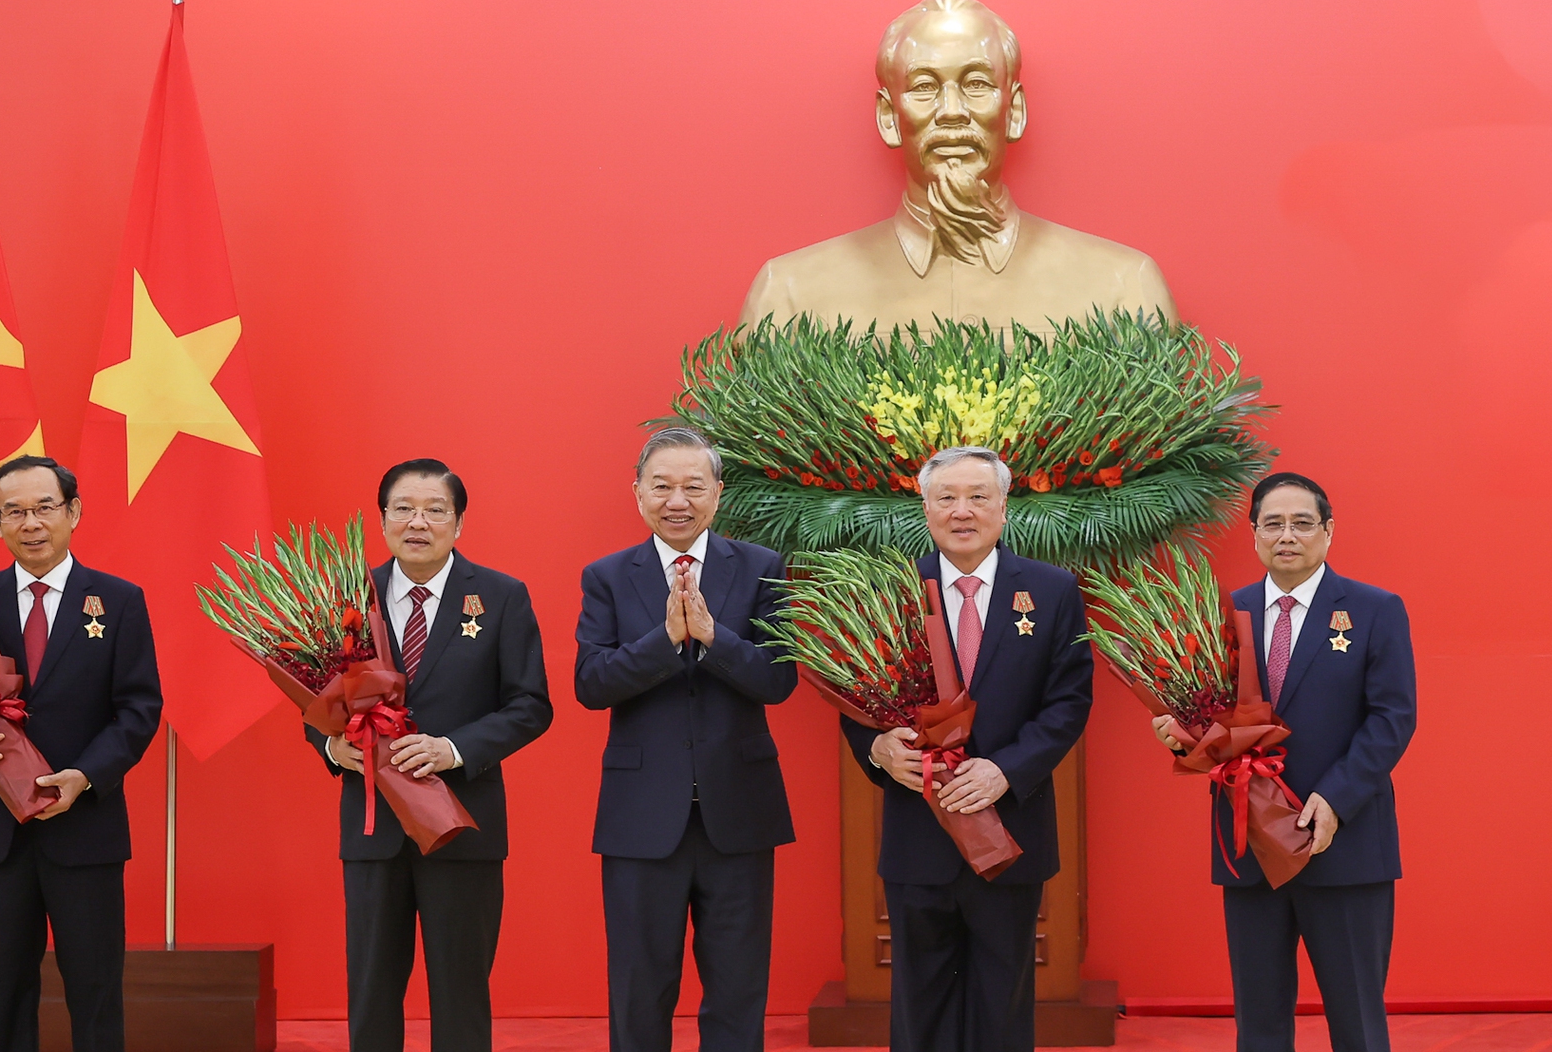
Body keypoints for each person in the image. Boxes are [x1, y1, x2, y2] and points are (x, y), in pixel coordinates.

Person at [1149, 472, 1415, 1052]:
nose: (1287, 535)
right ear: (1254, 535)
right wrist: (1182, 738)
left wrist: (1336, 799)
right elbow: (1206, 713)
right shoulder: (1225, 613)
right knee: (1260, 1021)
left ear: (1328, 531)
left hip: (1343, 843)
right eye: (1273, 523)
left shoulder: (1374, 610)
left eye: (1302, 523)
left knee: (1358, 1020)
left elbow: (1392, 718)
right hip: (1250, 842)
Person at [840, 445, 1092, 1052]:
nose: (963, 511)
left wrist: (1006, 770)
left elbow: (1069, 703)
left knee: (1002, 1004)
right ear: (923, 507)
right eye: (947, 497)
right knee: (919, 1006)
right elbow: (851, 695)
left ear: (1004, 508)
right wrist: (877, 750)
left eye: (979, 497)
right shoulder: (890, 592)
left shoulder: (1053, 591)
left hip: (1010, 835)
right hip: (918, 834)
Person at [739, 0, 1176, 331]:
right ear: (889, 117)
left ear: (1015, 111)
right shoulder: (790, 297)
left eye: (977, 83)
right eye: (925, 86)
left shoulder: (1123, 290)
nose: (951, 110)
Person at [305, 458, 553, 1052]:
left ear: (458, 523)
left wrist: (453, 749)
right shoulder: (345, 596)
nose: (418, 522)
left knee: (461, 990)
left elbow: (531, 705)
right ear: (383, 517)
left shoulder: (499, 596)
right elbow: (314, 698)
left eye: (435, 510)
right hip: (373, 827)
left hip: (461, 825)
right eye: (403, 509)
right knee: (370, 991)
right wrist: (334, 747)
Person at [0, 454, 163, 1052]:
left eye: (44, 508)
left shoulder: (118, 600)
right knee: (3, 992)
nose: (31, 523)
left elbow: (139, 708)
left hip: (85, 828)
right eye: (15, 512)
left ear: (73, 512)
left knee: (96, 989)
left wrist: (86, 775)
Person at [575, 426, 798, 1052]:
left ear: (718, 494)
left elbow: (781, 680)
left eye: (693, 486)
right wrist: (665, 641)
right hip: (641, 816)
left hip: (739, 810)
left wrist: (717, 639)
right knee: (640, 989)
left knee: (737, 987)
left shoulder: (760, 568)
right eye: (662, 486)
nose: (678, 500)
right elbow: (590, 684)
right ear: (638, 494)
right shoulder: (609, 576)